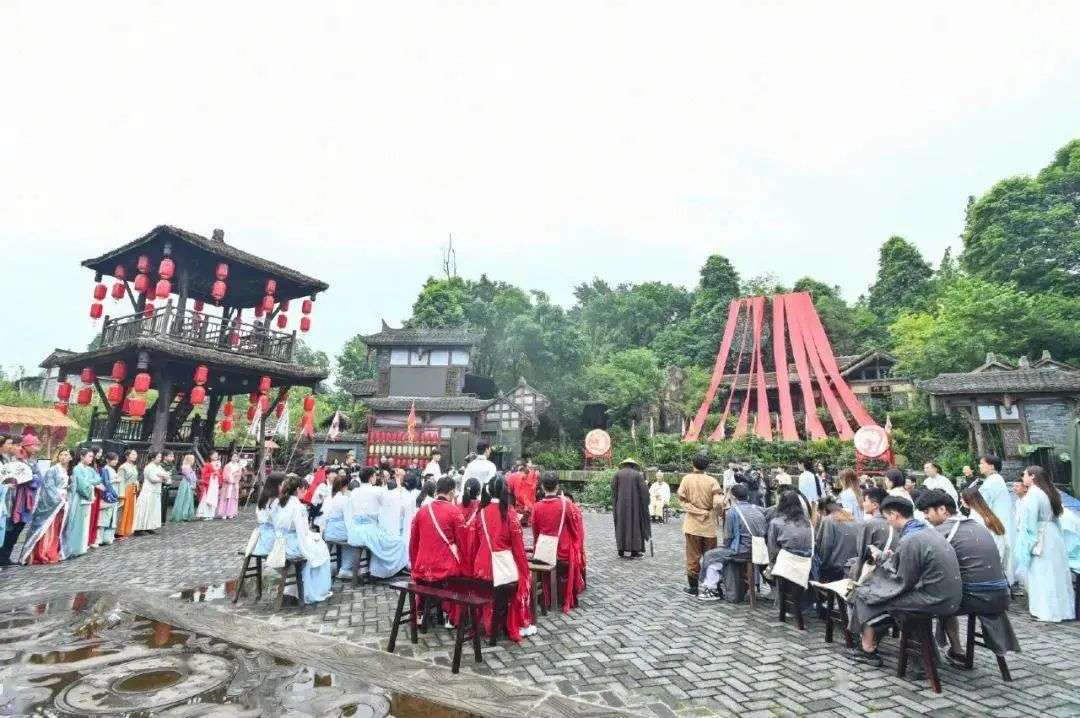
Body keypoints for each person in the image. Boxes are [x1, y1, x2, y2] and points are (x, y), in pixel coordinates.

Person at [847, 497, 962, 667]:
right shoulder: (926, 531)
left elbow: (902, 581)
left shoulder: (911, 539)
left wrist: (873, 587)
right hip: (948, 595)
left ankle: (868, 649)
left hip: (936, 599)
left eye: (887, 517)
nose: (887, 522)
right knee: (873, 591)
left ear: (894, 515)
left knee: (866, 595)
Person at [917, 489, 1019, 666]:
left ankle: (948, 651)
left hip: (975, 597)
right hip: (1001, 593)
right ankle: (955, 650)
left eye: (927, 512)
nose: (926, 517)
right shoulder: (978, 525)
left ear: (942, 510)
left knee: (926, 601)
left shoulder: (942, 532)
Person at [471, 475, 536, 640]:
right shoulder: (509, 513)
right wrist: (524, 569)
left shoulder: (481, 512)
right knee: (520, 582)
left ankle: (489, 623)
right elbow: (518, 547)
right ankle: (510, 624)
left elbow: (476, 542)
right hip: (503, 566)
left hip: (482, 565)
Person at [1013, 466, 1076, 621]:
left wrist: (1027, 543)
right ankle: (1061, 609)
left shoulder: (1034, 494)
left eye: (1025, 475)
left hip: (1041, 536)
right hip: (1052, 534)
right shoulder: (1048, 492)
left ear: (1032, 476)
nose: (1023, 478)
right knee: (1056, 572)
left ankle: (1046, 610)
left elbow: (1030, 522)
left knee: (1042, 573)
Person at [699, 484, 766, 602]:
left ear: (733, 497)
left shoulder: (732, 512)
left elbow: (728, 538)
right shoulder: (757, 509)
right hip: (759, 550)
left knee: (710, 556)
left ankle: (711, 589)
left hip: (741, 551)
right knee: (719, 556)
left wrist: (725, 547)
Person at [531, 472, 586, 613]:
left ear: (542, 487)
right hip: (563, 550)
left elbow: (535, 533)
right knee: (566, 568)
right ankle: (564, 598)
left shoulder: (536, 507)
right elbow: (575, 527)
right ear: (558, 486)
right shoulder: (566, 504)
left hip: (544, 552)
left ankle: (547, 599)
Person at [273, 475, 332, 604]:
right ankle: (311, 590)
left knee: (318, 545)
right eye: (304, 490)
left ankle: (293, 589)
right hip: (293, 544)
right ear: (298, 489)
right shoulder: (298, 507)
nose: (306, 493)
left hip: (280, 541)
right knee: (321, 551)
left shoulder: (279, 503)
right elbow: (303, 533)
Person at [346, 466, 408, 578]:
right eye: (374, 475)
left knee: (387, 539)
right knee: (399, 541)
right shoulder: (376, 491)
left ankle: (373, 569)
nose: (375, 478)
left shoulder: (354, 491)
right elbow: (392, 500)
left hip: (354, 531)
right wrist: (398, 483)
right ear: (371, 478)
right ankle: (385, 570)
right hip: (369, 531)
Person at [678, 453, 722, 595]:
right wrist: (716, 513)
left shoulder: (686, 479)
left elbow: (682, 501)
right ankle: (713, 586)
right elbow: (718, 503)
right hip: (709, 526)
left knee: (692, 556)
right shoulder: (712, 481)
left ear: (693, 464)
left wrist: (696, 511)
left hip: (692, 525)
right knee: (711, 556)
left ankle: (693, 588)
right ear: (707, 465)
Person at [21, 448, 72, 565]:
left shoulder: (66, 471)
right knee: (47, 528)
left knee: (56, 529)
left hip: (62, 504)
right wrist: (59, 498)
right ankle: (42, 553)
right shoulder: (53, 470)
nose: (64, 457)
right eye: (62, 454)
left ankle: (52, 551)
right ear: (58, 457)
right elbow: (48, 487)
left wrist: (66, 497)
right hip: (53, 503)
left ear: (70, 457)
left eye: (66, 455)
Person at [1, 434, 42, 565]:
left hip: (26, 497)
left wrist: (34, 479)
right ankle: (3, 556)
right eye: (33, 445)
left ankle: (6, 555)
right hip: (15, 497)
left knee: (18, 526)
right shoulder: (16, 461)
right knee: (11, 526)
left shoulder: (30, 461)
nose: (36, 448)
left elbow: (38, 478)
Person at [978, 454, 1016, 583]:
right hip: (998, 518)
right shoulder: (994, 479)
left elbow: (984, 503)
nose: (980, 466)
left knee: (1000, 549)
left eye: (982, 463)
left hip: (996, 520)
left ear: (991, 466)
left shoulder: (993, 481)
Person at [61, 448, 100, 559]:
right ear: (82, 456)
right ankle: (72, 548)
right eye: (89, 456)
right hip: (79, 498)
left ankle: (81, 547)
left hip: (87, 499)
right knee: (77, 523)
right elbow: (82, 486)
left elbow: (98, 479)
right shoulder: (77, 469)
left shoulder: (90, 469)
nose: (91, 459)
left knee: (84, 523)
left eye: (92, 457)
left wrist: (89, 482)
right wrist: (90, 483)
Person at [766, 490, 814, 578]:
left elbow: (772, 549)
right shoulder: (807, 522)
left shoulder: (776, 522)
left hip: (786, 566)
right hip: (806, 565)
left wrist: (771, 565)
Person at [815, 498, 861, 582]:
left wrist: (822, 565)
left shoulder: (828, 520)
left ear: (824, 510)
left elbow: (826, 545)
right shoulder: (851, 518)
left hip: (835, 568)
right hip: (852, 565)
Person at [612, 458, 650, 559]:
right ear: (633, 465)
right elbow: (644, 492)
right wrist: (645, 502)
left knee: (621, 525)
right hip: (635, 505)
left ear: (624, 465)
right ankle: (634, 551)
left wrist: (615, 504)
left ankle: (621, 550)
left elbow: (614, 490)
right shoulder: (638, 475)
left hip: (620, 505)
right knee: (635, 526)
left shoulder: (617, 474)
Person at [248, 472, 284, 557]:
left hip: (263, 536)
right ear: (276, 486)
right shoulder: (275, 501)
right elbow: (279, 522)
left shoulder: (264, 499)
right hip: (271, 538)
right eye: (283, 484)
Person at [132, 451, 167, 533]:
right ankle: (139, 528)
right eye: (158, 457)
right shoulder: (149, 467)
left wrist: (162, 476)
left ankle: (149, 526)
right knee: (144, 509)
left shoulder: (159, 467)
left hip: (156, 491)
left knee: (152, 509)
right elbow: (153, 478)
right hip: (148, 491)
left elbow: (166, 475)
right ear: (153, 458)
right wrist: (162, 478)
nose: (160, 459)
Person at [95, 452, 120, 546]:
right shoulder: (105, 469)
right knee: (103, 518)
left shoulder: (111, 469)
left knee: (109, 517)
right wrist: (115, 481)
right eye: (114, 459)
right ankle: (99, 538)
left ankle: (107, 537)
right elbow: (105, 483)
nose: (116, 461)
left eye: (116, 459)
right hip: (107, 495)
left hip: (112, 494)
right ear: (108, 460)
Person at [115, 449, 140, 538]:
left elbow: (135, 478)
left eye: (135, 454)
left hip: (132, 489)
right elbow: (121, 481)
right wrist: (121, 495)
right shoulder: (123, 467)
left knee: (130, 510)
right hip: (125, 489)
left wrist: (137, 483)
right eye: (133, 454)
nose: (135, 456)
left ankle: (127, 529)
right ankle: (119, 530)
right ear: (127, 456)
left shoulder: (134, 466)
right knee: (123, 510)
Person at [507, 461, 539, 526]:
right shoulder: (534, 476)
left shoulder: (513, 476)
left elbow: (509, 491)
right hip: (528, 507)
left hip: (519, 508)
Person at [170, 453, 197, 522]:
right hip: (186, 483)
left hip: (188, 483)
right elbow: (189, 477)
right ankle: (182, 515)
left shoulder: (189, 467)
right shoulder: (185, 467)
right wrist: (192, 483)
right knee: (184, 497)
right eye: (193, 459)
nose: (193, 461)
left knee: (188, 498)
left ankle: (186, 514)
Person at [196, 452, 221, 520]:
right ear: (210, 456)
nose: (216, 456)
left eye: (217, 455)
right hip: (209, 485)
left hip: (215, 484)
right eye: (214, 455)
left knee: (214, 498)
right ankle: (205, 514)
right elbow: (204, 475)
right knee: (207, 499)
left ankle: (211, 514)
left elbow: (220, 474)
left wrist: (218, 475)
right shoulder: (207, 465)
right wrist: (212, 474)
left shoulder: (218, 465)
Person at [217, 454, 242, 519]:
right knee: (226, 498)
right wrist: (230, 479)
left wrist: (235, 479)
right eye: (234, 456)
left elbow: (239, 475)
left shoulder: (238, 466)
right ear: (231, 457)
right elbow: (225, 475)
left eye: (236, 457)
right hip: (227, 485)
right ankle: (224, 513)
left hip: (234, 485)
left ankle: (231, 513)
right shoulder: (227, 466)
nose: (235, 458)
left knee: (233, 498)